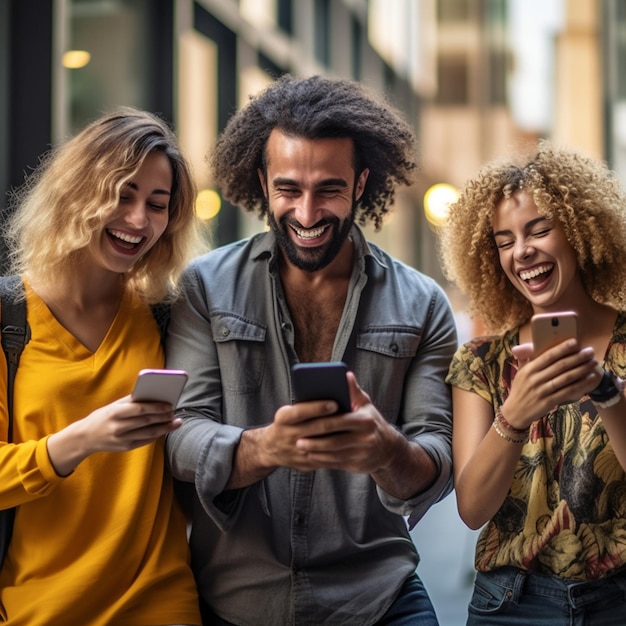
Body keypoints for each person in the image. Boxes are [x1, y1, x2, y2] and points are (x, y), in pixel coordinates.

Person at [165, 74, 457, 625]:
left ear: (362, 182)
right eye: (288, 189)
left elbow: (438, 461)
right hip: (233, 597)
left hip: (376, 596)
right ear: (262, 180)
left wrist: (383, 451)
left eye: (328, 189)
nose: (305, 214)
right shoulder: (205, 287)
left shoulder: (422, 304)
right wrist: (267, 448)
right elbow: (180, 437)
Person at [0, 107, 204, 625]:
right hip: (40, 608)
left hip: (159, 599)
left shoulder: (163, 316)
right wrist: (83, 438)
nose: (139, 220)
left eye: (157, 205)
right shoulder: (9, 320)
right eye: (122, 193)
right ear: (77, 192)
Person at [440, 140, 626, 624]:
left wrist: (605, 392)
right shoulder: (481, 362)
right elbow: (473, 509)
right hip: (509, 605)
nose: (522, 252)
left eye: (539, 230)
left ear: (582, 231)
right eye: (504, 242)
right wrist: (514, 415)